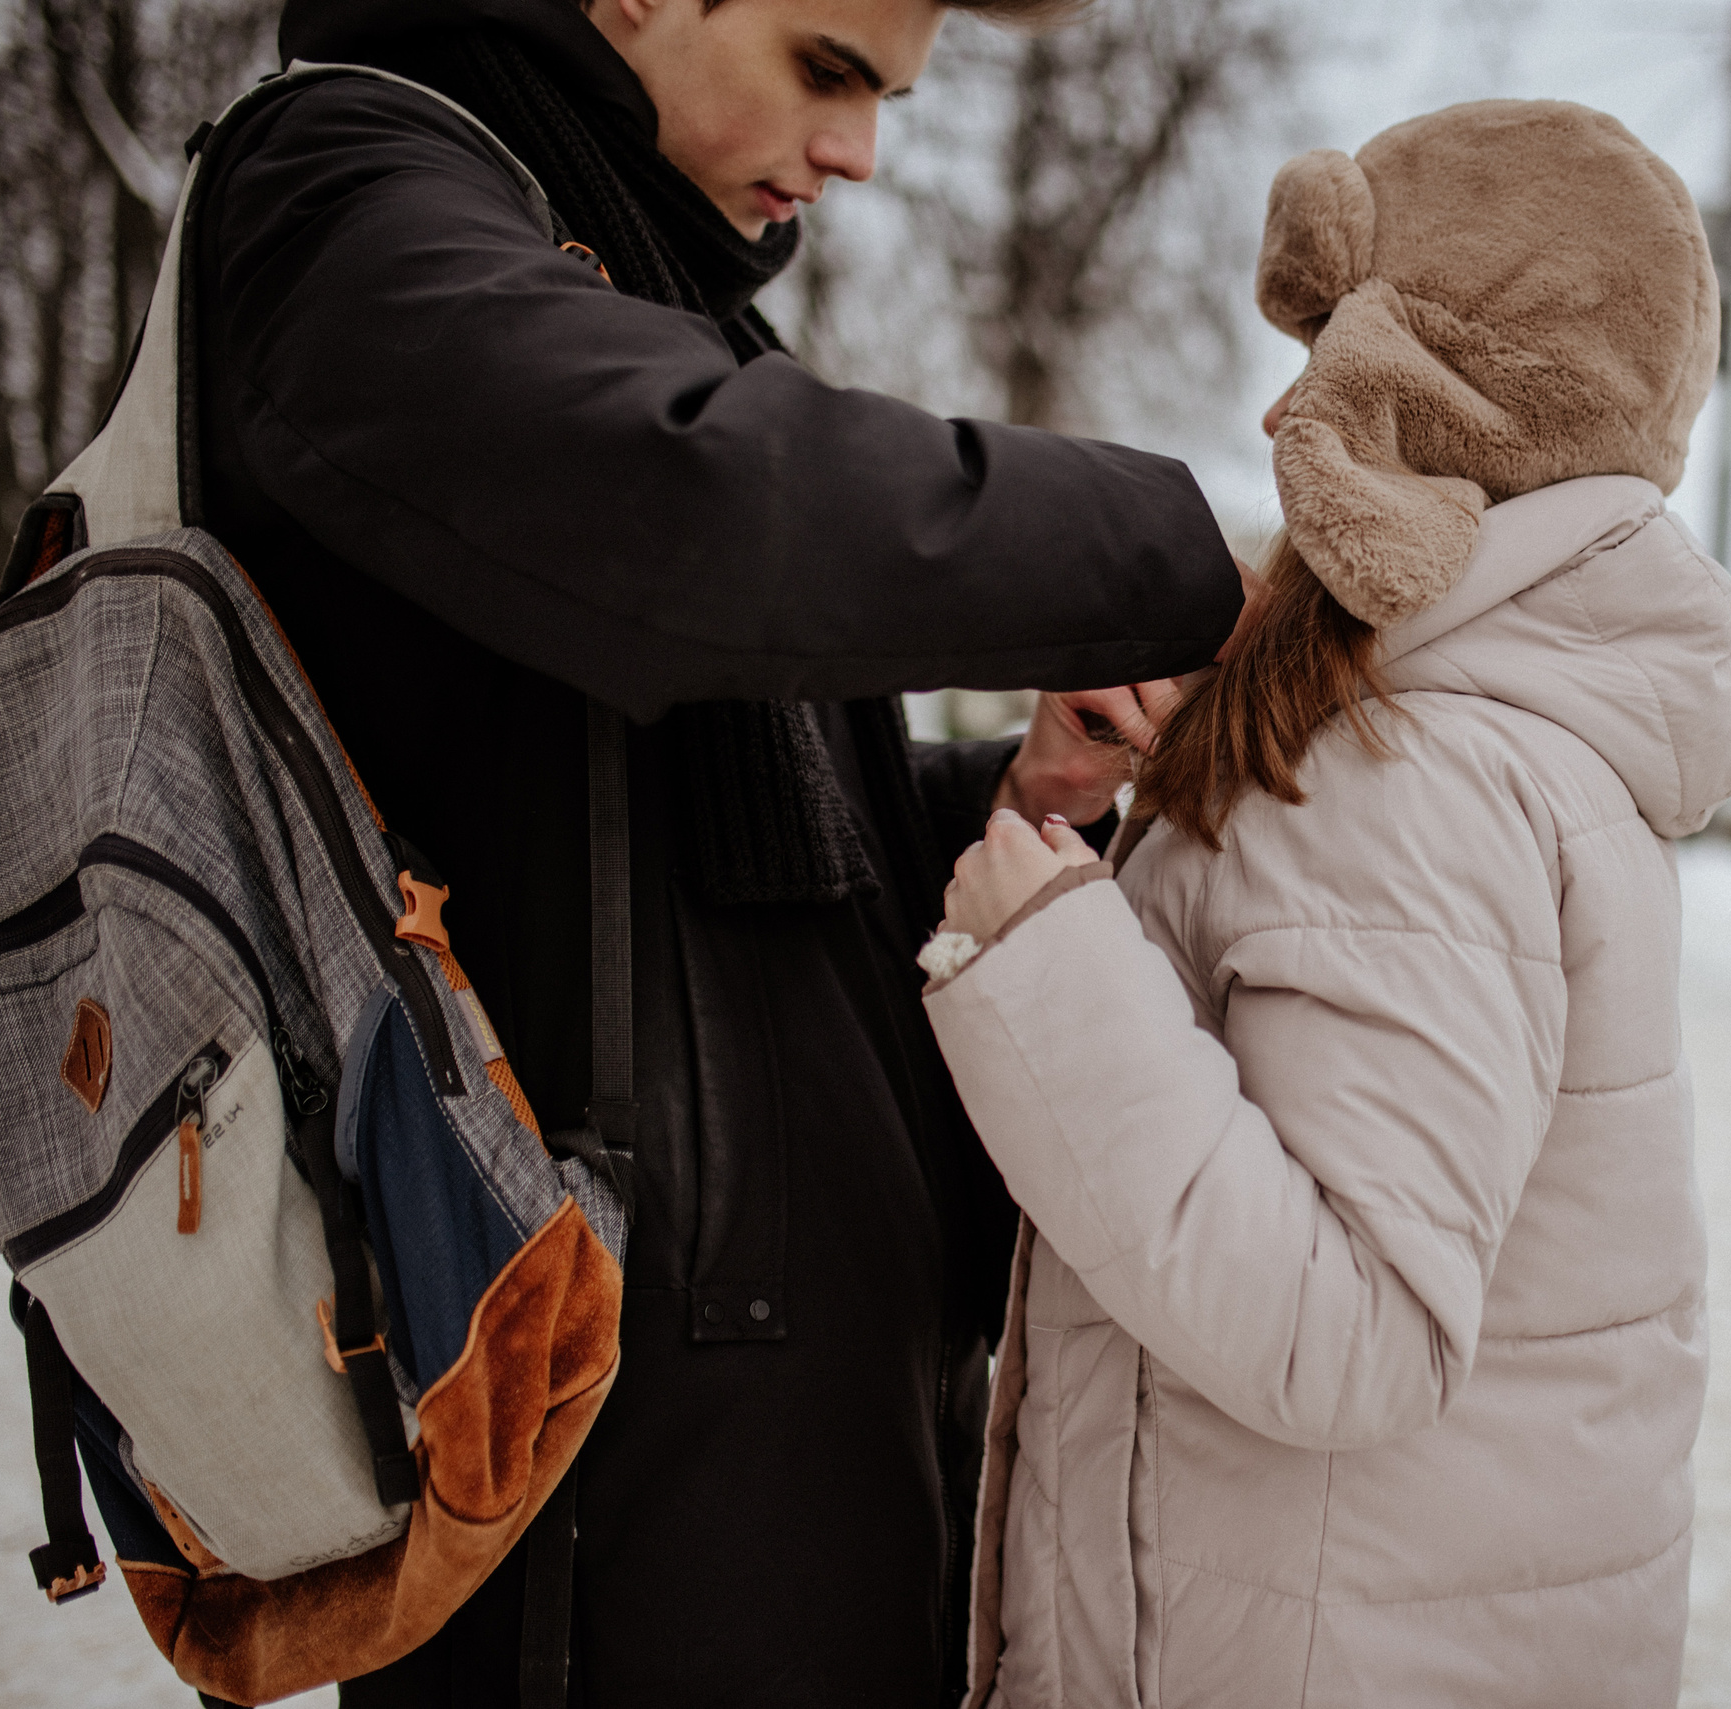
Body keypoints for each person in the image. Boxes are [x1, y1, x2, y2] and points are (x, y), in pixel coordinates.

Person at [191, 0, 1248, 1702]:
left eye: (891, 97)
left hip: (795, 1434)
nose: (861, 152)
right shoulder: (351, 192)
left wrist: (1012, 793)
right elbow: (692, 506)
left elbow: (740, 863)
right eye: (828, 68)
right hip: (615, 1497)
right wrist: (1176, 553)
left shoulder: (624, 263)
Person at [917, 101, 1731, 1706]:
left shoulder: (1419, 766)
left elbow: (1356, 1331)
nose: (1277, 408)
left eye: (1327, 347)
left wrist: (1050, 964)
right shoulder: (1502, 727)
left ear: (1446, 381)